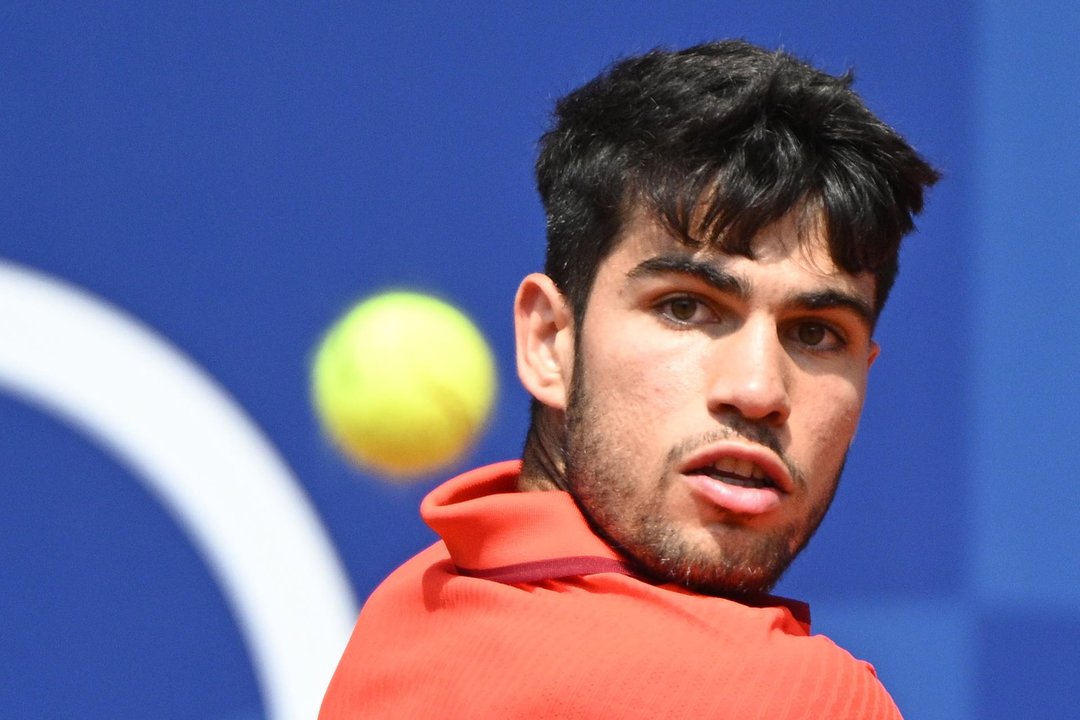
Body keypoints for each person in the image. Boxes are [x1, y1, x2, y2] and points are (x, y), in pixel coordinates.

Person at [320, 39, 938, 719]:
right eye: (687, 308)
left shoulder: (405, 614)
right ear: (551, 340)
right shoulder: (806, 700)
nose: (759, 390)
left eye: (816, 333)